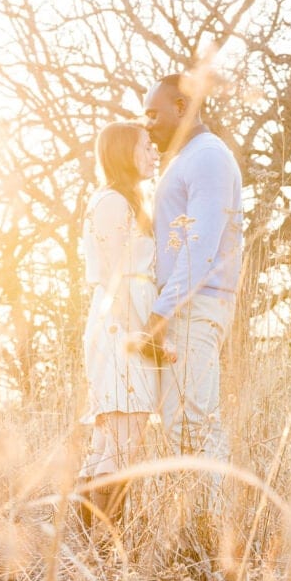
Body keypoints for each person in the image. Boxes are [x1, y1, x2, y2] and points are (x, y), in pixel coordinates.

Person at [139, 74, 243, 466]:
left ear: (182, 107)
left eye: (153, 114)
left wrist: (161, 312)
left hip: (195, 306)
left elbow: (200, 246)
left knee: (192, 426)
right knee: (177, 426)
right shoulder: (185, 159)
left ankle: (211, 526)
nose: (147, 125)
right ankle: (195, 524)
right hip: (186, 305)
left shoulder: (208, 156)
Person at [78, 120, 171, 529]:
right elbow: (115, 274)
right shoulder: (113, 202)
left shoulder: (126, 201)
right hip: (120, 326)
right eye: (146, 146)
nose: (155, 153)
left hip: (125, 321)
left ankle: (86, 551)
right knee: (123, 440)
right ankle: (104, 548)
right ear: (122, 153)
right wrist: (139, 333)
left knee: (110, 441)